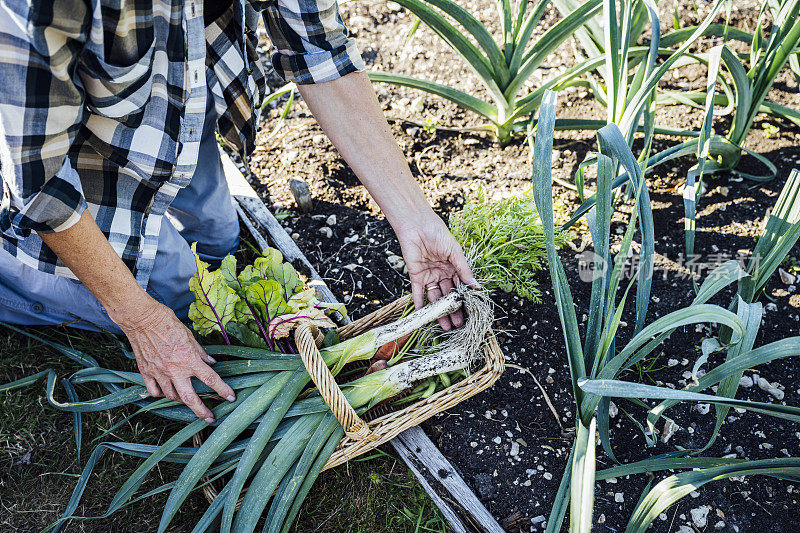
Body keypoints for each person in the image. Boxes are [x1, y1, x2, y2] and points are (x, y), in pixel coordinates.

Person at [0, 0, 477, 424]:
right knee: (175, 301)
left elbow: (321, 50)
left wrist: (416, 219)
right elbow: (41, 185)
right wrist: (141, 318)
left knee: (222, 240)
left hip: (167, 94)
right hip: (44, 152)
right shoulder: (38, 9)